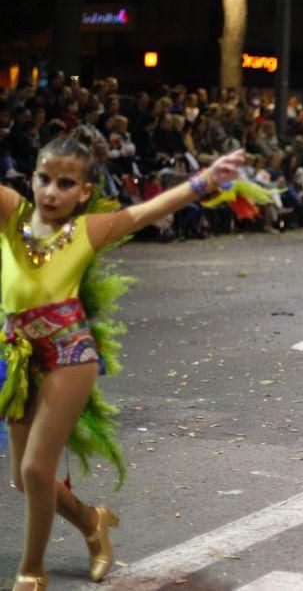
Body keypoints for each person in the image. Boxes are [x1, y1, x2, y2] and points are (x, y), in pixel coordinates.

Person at [0, 135, 244, 591]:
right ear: (30, 178)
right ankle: (93, 521)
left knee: (37, 470)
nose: (52, 192)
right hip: (19, 357)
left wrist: (206, 179)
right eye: (44, 179)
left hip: (69, 353)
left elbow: (146, 211)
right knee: (22, 479)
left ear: (85, 192)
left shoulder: (87, 231)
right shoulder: (11, 215)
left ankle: (31, 573)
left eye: (66, 183)